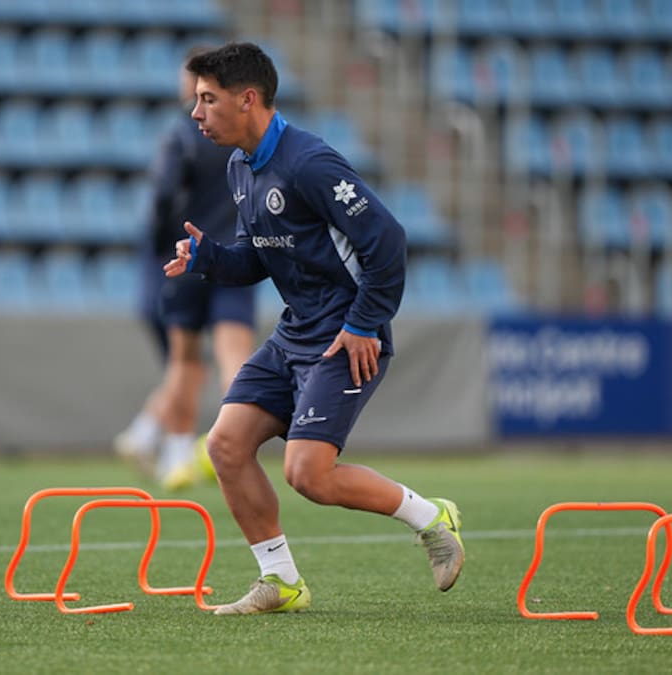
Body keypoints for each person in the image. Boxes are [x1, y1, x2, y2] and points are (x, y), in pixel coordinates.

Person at [163, 42, 464, 615]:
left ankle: (433, 518)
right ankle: (281, 582)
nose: (196, 113)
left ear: (247, 98)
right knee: (225, 445)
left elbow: (388, 242)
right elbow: (259, 257)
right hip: (294, 333)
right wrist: (208, 257)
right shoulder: (239, 166)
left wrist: (363, 323)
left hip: (345, 337)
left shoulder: (310, 163)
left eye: (207, 99)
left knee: (309, 474)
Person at [114, 46, 258, 489]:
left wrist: (161, 247)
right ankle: (230, 442)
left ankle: (177, 456)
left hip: (189, 254)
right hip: (236, 255)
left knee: (185, 361)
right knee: (234, 358)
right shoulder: (245, 135)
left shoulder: (183, 133)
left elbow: (162, 196)